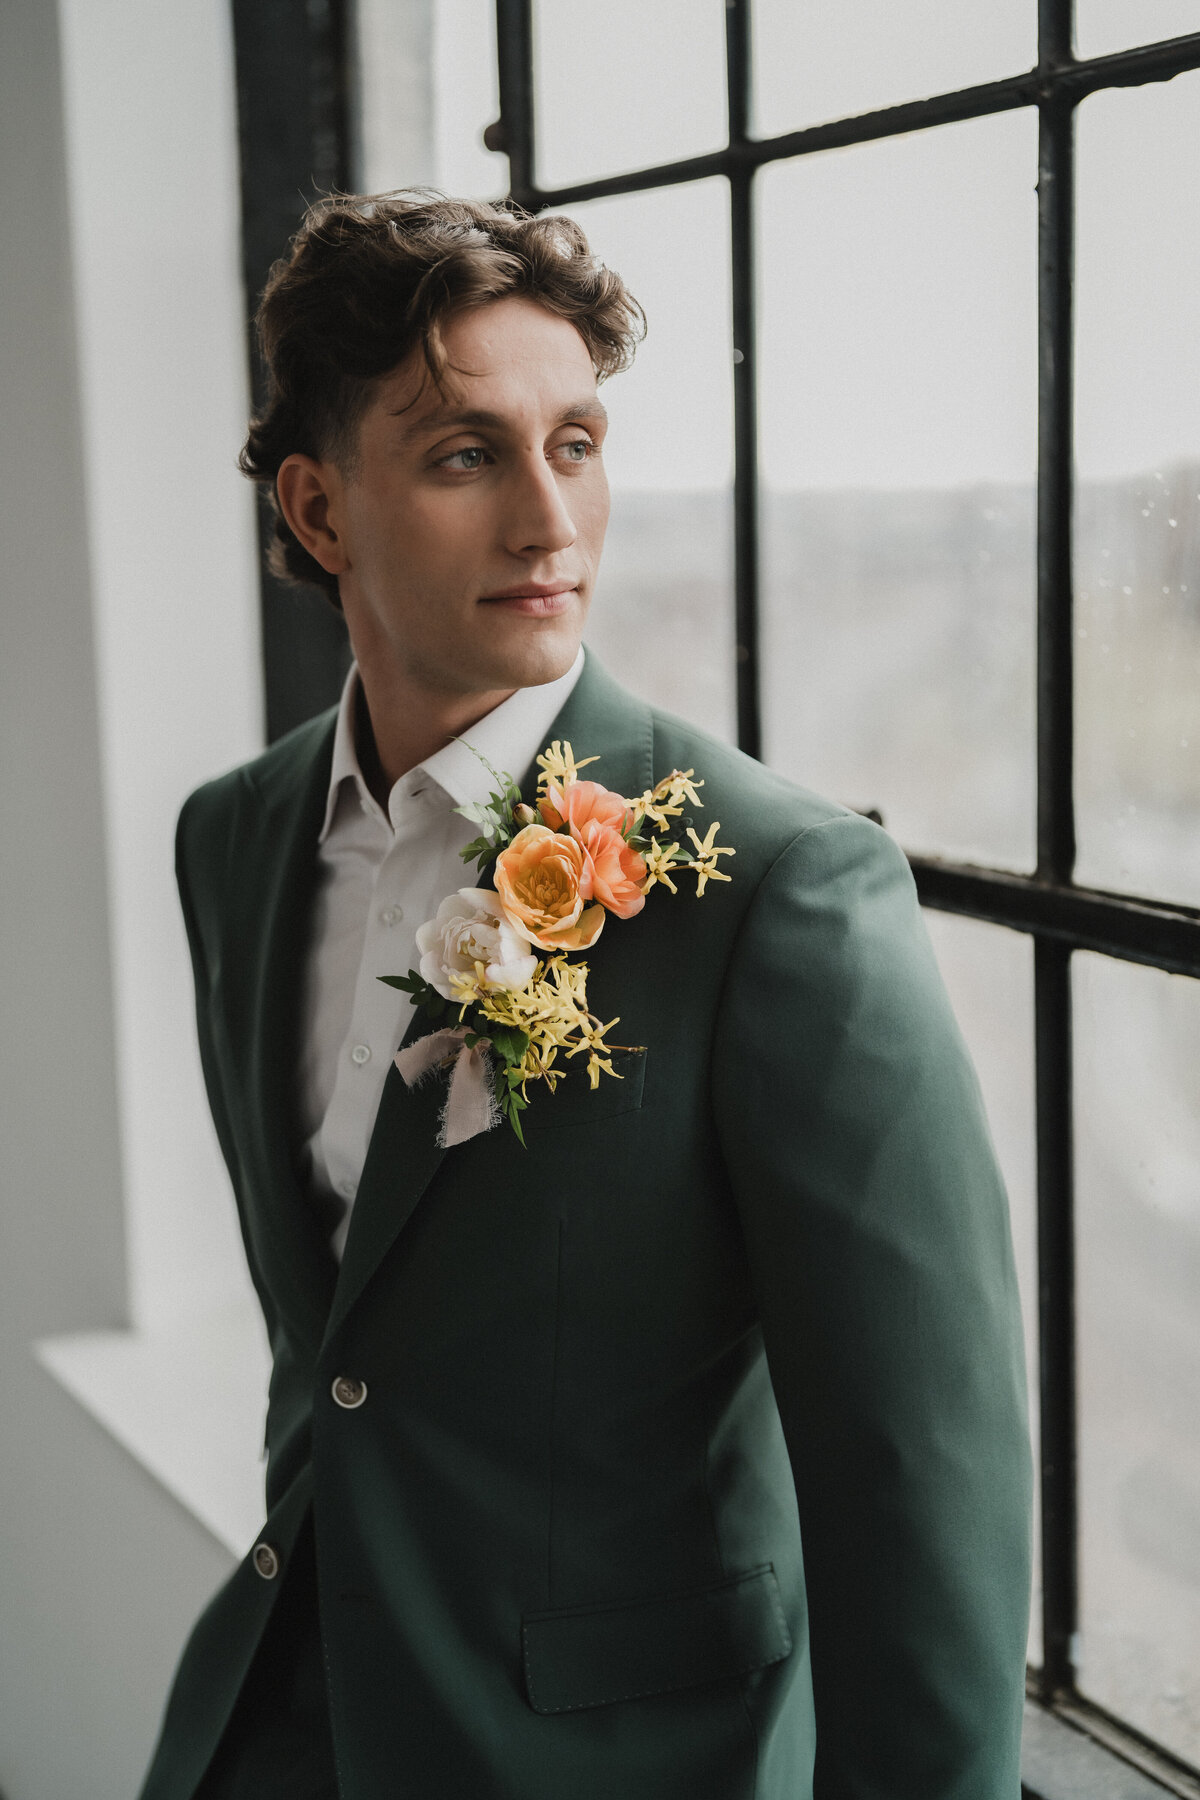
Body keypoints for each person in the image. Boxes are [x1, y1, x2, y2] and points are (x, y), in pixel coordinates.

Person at [140, 191, 1032, 1800]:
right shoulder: (238, 837)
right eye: (467, 454)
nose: (552, 524)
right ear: (321, 510)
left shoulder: (780, 888)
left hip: (622, 1760)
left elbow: (924, 1492)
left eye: (579, 442)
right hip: (275, 1722)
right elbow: (343, 1344)